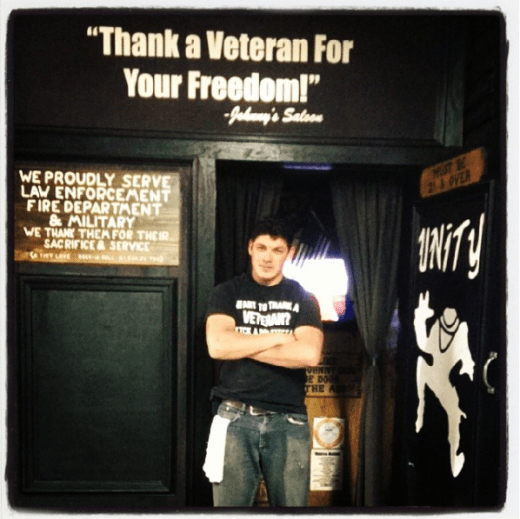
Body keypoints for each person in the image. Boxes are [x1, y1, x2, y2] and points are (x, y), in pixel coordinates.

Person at [203, 217, 324, 507]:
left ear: (289, 253)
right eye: (261, 248)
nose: (267, 257)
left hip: (289, 421)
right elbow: (218, 346)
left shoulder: (303, 298)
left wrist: (241, 345)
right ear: (250, 248)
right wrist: (279, 337)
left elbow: (309, 354)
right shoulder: (227, 292)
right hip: (234, 418)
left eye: (277, 250)